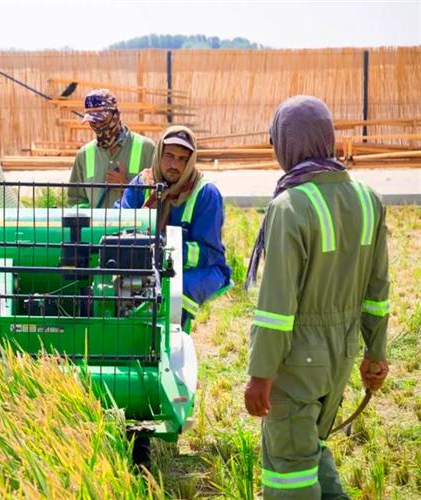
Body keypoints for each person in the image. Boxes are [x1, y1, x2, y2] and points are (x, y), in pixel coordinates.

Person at [243, 95, 390, 499]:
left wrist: (260, 375)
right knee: (310, 448)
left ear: (288, 143)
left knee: (288, 470)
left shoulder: (290, 206)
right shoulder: (367, 199)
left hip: (296, 364)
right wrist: (375, 353)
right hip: (340, 358)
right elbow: (378, 290)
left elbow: (276, 308)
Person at [116, 125, 232, 326]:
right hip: (148, 265)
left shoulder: (205, 193)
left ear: (191, 161)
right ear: (158, 154)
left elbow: (208, 253)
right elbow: (119, 221)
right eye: (169, 156)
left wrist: (165, 251)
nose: (174, 165)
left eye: (182, 159)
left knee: (174, 294)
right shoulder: (142, 183)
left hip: (200, 269)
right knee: (113, 288)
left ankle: (171, 338)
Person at [67, 89, 156, 208]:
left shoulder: (147, 148)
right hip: (96, 226)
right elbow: (76, 200)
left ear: (116, 114)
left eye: (101, 119)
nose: (98, 125)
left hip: (133, 225)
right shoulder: (84, 155)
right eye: (93, 121)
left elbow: (158, 195)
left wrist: (127, 186)